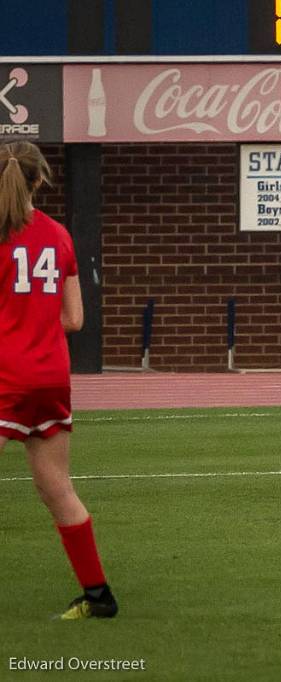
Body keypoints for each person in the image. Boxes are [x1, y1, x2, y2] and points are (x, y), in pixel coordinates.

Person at [0, 141, 118, 620]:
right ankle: (98, 597)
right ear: (40, 180)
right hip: (50, 375)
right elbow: (74, 318)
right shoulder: (58, 235)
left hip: (5, 373)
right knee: (57, 489)